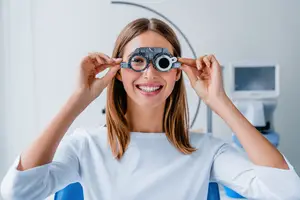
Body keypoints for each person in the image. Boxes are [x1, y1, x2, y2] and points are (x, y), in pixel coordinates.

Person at [1, 18, 300, 200]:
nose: (149, 74)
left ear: (177, 72)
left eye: (163, 63)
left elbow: (286, 191)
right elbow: (17, 192)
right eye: (138, 61)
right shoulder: (85, 146)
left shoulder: (206, 150)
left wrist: (219, 102)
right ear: (118, 70)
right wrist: (78, 99)